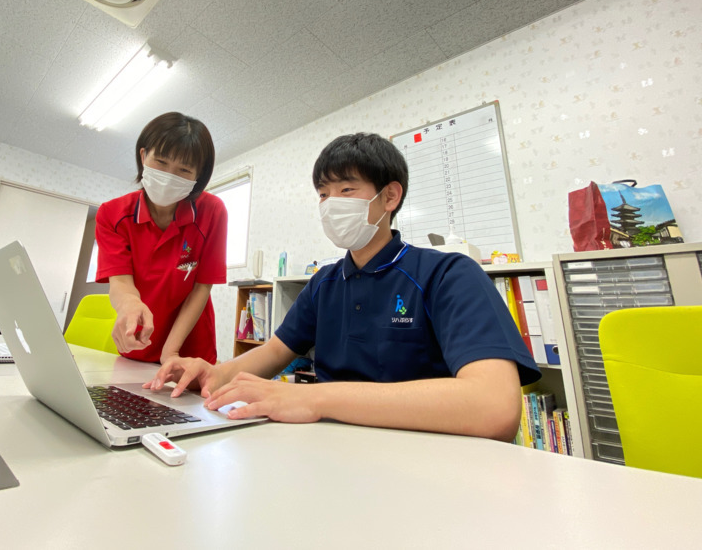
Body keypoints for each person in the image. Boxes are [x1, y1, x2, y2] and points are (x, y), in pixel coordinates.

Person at [145, 132, 541, 441]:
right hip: (331, 453)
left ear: (390, 196)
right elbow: (273, 352)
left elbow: (494, 408)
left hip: (425, 463)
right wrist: (212, 373)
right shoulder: (325, 284)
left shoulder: (449, 274)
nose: (331, 204)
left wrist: (312, 399)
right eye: (323, 194)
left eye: (346, 191)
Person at [95, 112, 227, 365]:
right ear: (144, 156)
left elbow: (201, 288)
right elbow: (120, 282)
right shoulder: (112, 214)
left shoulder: (213, 211)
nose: (169, 176)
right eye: (161, 162)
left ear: (198, 176)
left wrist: (171, 352)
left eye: (184, 170)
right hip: (138, 345)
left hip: (190, 350)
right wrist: (129, 306)